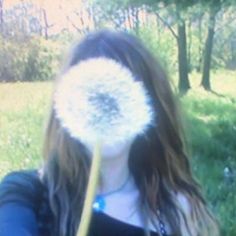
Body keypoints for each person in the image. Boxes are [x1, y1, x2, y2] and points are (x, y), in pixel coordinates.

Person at [0, 30, 219, 236]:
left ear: (151, 107)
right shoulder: (25, 194)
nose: (104, 107)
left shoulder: (174, 208)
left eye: (118, 97)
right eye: (92, 97)